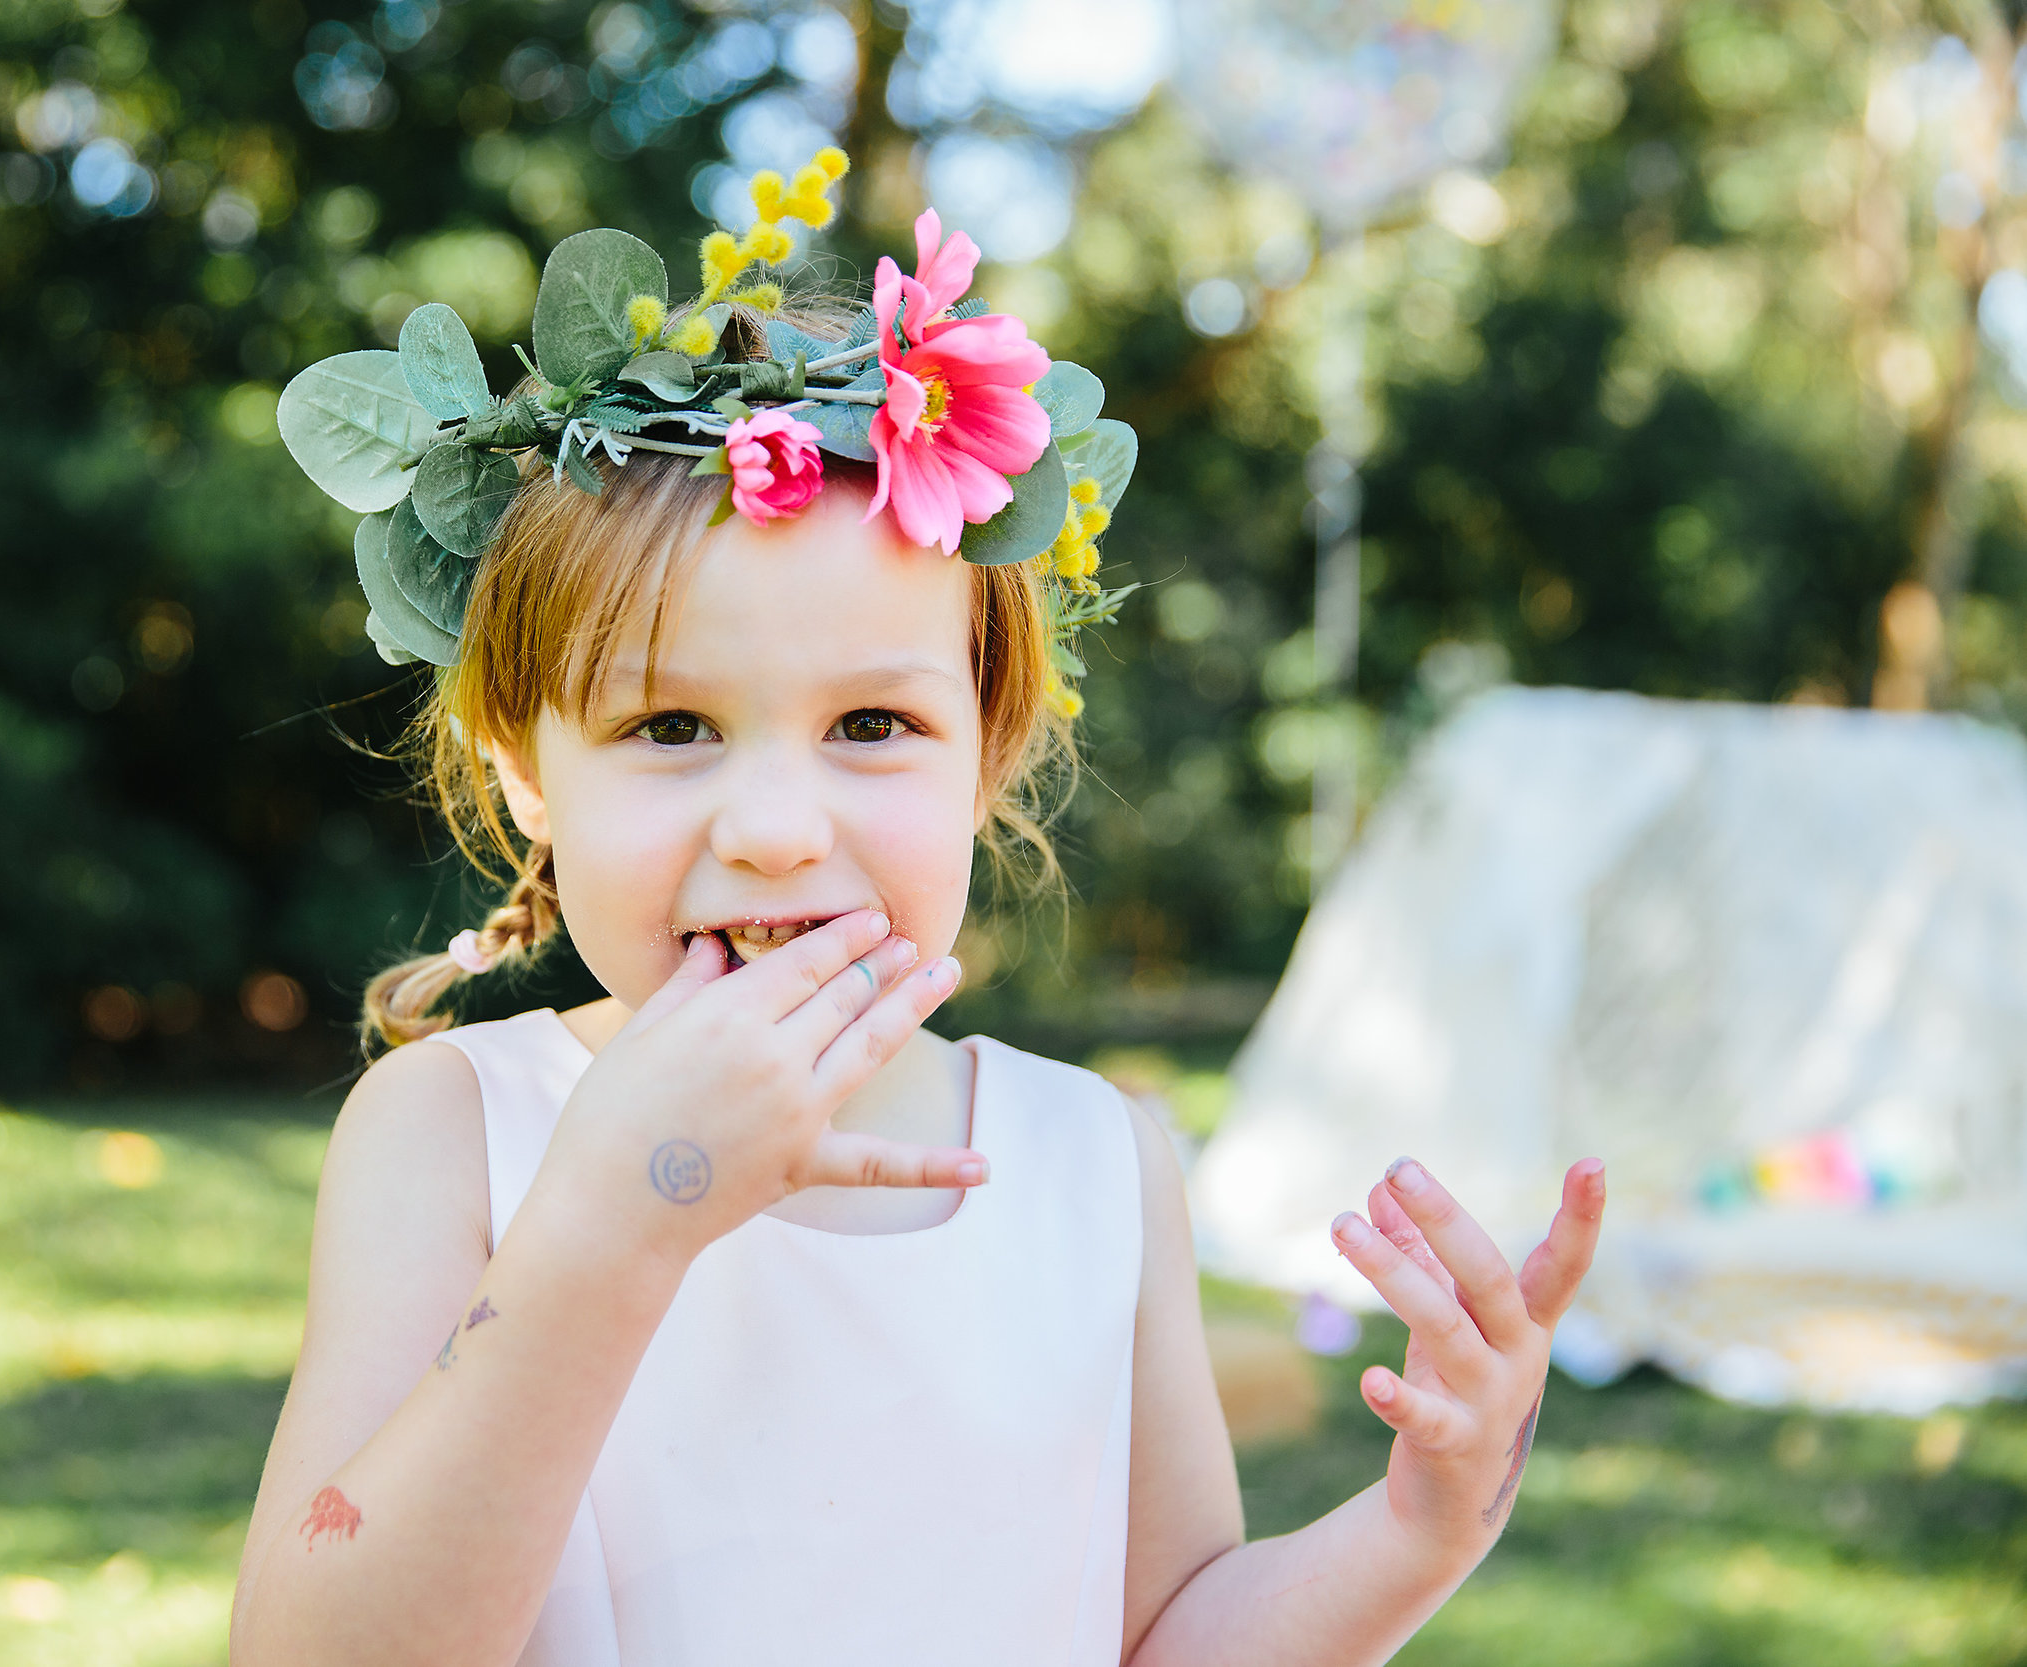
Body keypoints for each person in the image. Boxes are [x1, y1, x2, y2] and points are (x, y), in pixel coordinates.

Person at [229, 152, 1608, 1667]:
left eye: (871, 728)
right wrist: (612, 1228)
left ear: (987, 753)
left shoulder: (1095, 1164)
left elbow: (1167, 1637)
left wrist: (1422, 1525)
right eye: (668, 729)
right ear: (530, 773)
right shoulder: (454, 1137)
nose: (770, 830)